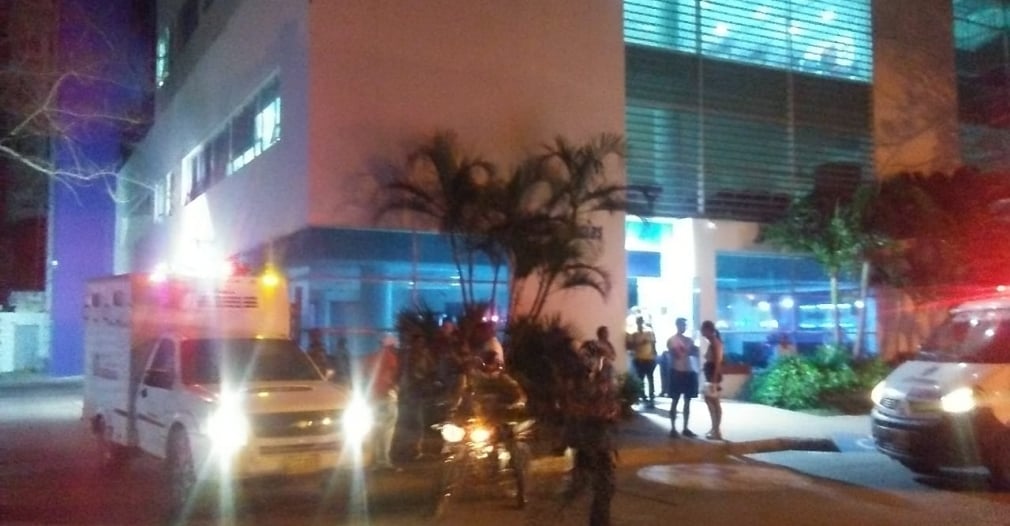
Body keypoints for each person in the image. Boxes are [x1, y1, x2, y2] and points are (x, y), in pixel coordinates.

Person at [563, 337, 620, 526]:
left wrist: (609, 411)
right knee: (585, 484)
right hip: (584, 436)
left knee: (605, 485)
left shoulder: (606, 372)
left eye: (591, 358)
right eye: (585, 358)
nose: (588, 362)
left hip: (601, 436)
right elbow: (571, 404)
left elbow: (612, 401)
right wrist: (591, 411)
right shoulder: (576, 377)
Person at [364, 334, 401, 470]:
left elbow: (366, 376)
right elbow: (390, 376)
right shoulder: (390, 358)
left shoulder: (371, 357)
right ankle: (384, 460)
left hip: (372, 397)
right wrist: (391, 388)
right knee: (387, 429)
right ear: (391, 346)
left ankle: (373, 460)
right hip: (386, 396)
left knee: (374, 428)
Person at [666, 317, 699, 438]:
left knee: (687, 401)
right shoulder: (672, 340)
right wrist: (688, 349)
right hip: (677, 371)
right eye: (682, 325)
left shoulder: (688, 340)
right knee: (675, 400)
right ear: (677, 325)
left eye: (685, 325)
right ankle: (673, 428)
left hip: (688, 371)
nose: (684, 327)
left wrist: (690, 349)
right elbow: (677, 355)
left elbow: (695, 353)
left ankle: (685, 427)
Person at [700, 320, 724, 441]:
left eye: (703, 330)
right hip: (710, 373)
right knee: (711, 401)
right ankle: (714, 428)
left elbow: (718, 361)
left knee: (713, 401)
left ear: (708, 330)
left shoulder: (715, 342)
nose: (702, 332)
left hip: (713, 375)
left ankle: (716, 429)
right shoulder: (712, 343)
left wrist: (714, 378)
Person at [626, 316, 657, 408]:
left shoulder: (649, 332)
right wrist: (639, 344)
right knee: (641, 379)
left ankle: (651, 397)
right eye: (638, 321)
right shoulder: (634, 333)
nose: (640, 323)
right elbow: (630, 346)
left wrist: (654, 355)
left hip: (649, 358)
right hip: (639, 359)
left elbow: (653, 344)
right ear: (636, 322)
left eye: (641, 321)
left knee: (650, 379)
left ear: (643, 321)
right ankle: (643, 397)